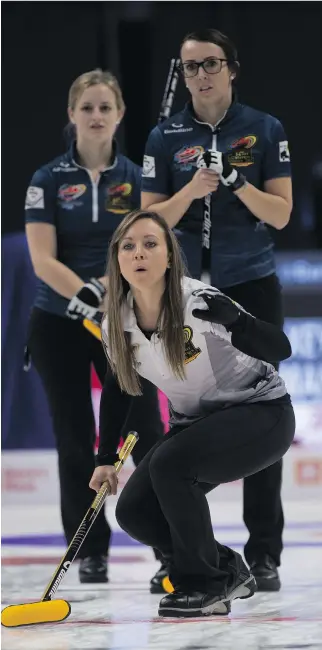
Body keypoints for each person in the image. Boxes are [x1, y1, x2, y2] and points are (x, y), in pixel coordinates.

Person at [140, 28, 293, 591]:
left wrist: (234, 181)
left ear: (232, 68)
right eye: (190, 67)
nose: (201, 75)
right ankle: (178, 549)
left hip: (249, 284)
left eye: (210, 63)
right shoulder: (164, 136)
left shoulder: (264, 127)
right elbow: (149, 222)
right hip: (183, 290)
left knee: (259, 406)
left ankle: (266, 554)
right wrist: (191, 191)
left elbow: (279, 214)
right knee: (180, 410)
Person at [89, 209, 295, 618]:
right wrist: (105, 460)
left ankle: (203, 585)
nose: (139, 253)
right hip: (196, 425)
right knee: (134, 512)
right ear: (117, 260)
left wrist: (237, 320)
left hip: (261, 412)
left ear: (169, 256)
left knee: (169, 463)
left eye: (150, 243)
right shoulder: (117, 322)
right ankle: (224, 569)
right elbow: (118, 388)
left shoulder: (198, 302)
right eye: (128, 246)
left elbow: (280, 349)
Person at [25, 69, 164, 587]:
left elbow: (149, 246)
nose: (97, 116)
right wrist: (86, 296)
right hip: (60, 322)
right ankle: (89, 552)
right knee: (76, 439)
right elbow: (43, 259)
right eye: (88, 108)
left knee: (146, 430)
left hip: (121, 321)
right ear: (72, 115)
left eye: (106, 107)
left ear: (120, 114)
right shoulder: (47, 179)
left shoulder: (137, 178)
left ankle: (167, 547)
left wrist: (116, 297)